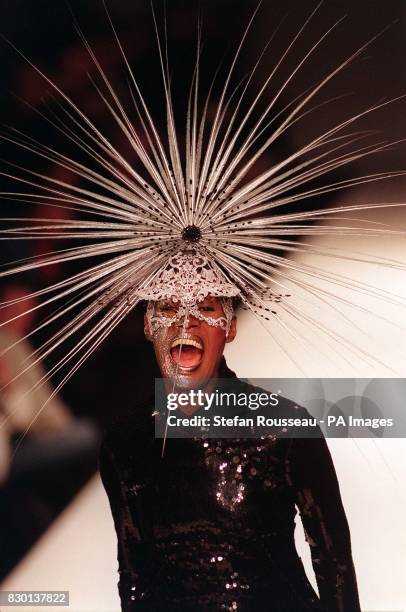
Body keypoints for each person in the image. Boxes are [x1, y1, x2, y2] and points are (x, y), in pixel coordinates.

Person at [100, 249, 360, 612]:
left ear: (230, 326)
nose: (186, 324)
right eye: (170, 309)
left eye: (205, 308)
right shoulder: (125, 441)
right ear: (148, 326)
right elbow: (133, 575)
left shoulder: (282, 428)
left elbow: (334, 563)